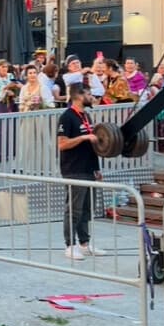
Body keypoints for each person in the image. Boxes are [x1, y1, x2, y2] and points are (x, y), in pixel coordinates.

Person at [58, 82, 107, 261]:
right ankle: (69, 245)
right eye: (88, 93)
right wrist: (83, 137)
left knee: (87, 209)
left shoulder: (86, 116)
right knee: (73, 210)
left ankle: (84, 244)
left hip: (88, 168)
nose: (91, 97)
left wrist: (97, 168)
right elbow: (62, 144)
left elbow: (92, 145)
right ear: (78, 96)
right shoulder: (67, 117)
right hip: (73, 169)